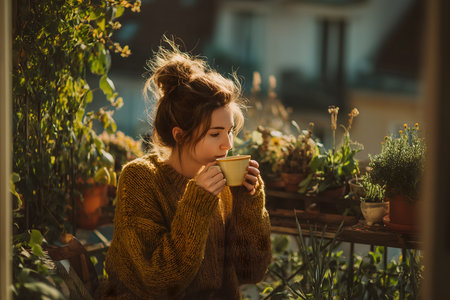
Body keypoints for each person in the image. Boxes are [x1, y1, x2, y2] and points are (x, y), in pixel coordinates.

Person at [102, 40, 272, 300]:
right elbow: (158, 281)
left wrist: (249, 202)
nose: (228, 144)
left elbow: (251, 272)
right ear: (180, 135)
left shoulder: (223, 186)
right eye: (215, 134)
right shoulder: (141, 179)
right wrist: (197, 201)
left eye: (229, 132)